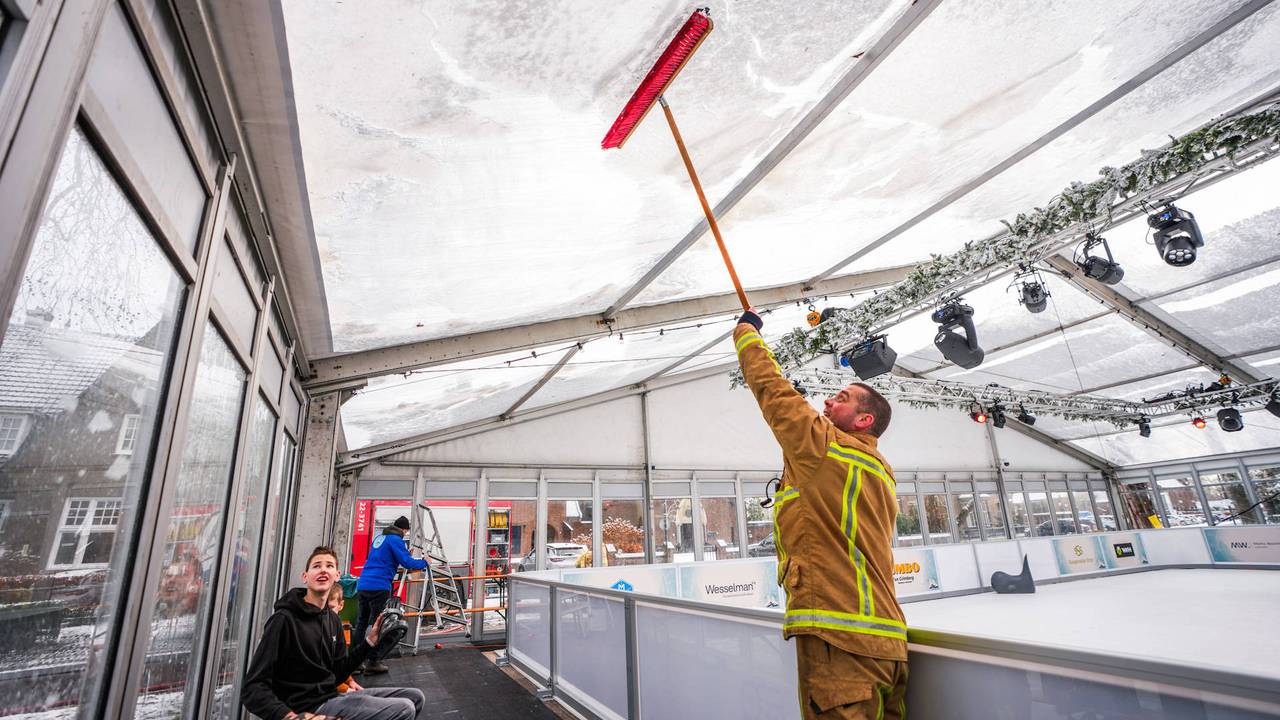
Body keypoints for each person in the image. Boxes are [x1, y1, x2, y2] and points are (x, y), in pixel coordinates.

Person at [734, 309, 907, 719]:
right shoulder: (879, 468)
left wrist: (746, 333)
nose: (827, 400)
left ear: (864, 420)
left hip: (841, 640)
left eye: (841, 398)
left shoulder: (825, 447)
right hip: (888, 644)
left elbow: (773, 391)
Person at [241, 545, 425, 720]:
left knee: (415, 697)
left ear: (337, 575)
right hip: (307, 708)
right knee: (404, 708)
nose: (323, 570)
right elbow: (252, 688)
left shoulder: (333, 619)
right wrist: (291, 717)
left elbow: (337, 673)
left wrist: (370, 641)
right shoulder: (283, 620)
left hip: (331, 697)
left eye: (329, 566)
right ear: (305, 576)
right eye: (316, 566)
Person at [355, 516, 428, 674]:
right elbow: (407, 563)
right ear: (404, 530)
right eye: (406, 531)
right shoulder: (396, 540)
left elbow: (383, 558)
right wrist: (424, 562)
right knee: (379, 625)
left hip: (363, 584)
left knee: (361, 623)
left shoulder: (379, 538)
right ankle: (373, 661)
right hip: (379, 586)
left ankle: (355, 662)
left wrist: (403, 554)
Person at [326, 585, 364, 694]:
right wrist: (346, 689)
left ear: (341, 605)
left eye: (331, 608)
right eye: (323, 608)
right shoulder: (319, 630)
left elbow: (339, 663)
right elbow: (321, 673)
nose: (326, 612)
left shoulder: (336, 626)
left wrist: (350, 681)